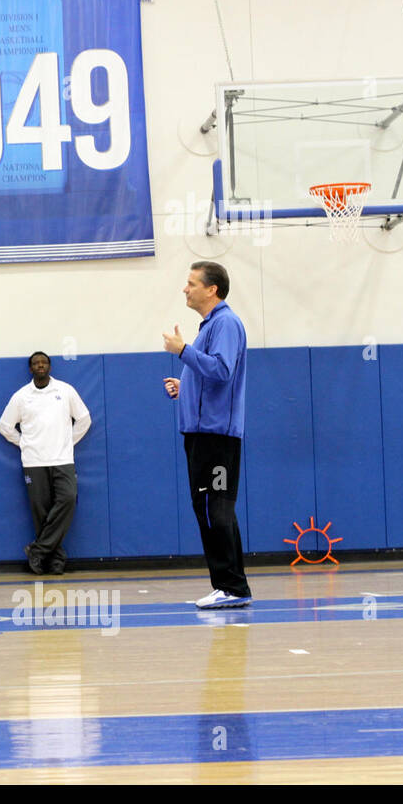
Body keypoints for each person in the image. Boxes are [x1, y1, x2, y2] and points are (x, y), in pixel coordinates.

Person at [163, 261, 251, 609]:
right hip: (202, 435)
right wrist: (186, 387)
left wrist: (183, 351)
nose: (185, 289)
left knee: (218, 509)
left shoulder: (226, 323)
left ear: (211, 289)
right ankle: (229, 585)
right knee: (210, 509)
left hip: (216, 438)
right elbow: (210, 375)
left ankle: (232, 587)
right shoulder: (211, 326)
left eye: (191, 283)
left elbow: (223, 370)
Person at [0, 352, 91, 575]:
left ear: (50, 366)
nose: (40, 365)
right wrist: (25, 444)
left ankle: (38, 551)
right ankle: (55, 560)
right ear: (30, 369)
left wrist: (68, 441)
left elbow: (84, 419)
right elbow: (5, 427)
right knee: (42, 512)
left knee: (68, 500)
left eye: (44, 362)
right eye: (35, 363)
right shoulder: (21, 396)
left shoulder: (65, 390)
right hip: (34, 462)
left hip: (63, 459)